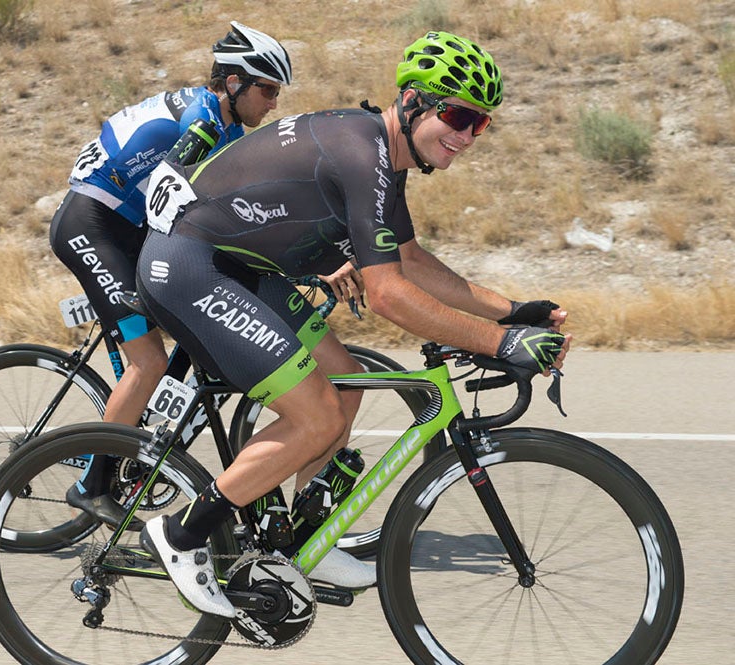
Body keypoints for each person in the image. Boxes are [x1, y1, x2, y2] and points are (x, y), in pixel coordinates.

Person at [134, 30, 570, 617]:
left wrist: (510, 312)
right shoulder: (364, 154)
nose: (467, 136)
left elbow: (410, 261)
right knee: (316, 415)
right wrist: (501, 343)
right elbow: (389, 295)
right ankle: (183, 534)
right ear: (413, 101)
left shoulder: (384, 159)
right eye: (459, 115)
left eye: (481, 125)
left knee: (345, 377)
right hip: (188, 266)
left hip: (236, 266)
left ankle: (294, 543)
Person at [51, 22, 361, 532]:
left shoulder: (224, 125)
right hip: (93, 224)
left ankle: (155, 430)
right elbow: (175, 210)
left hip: (126, 226)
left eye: (277, 93)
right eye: (267, 90)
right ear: (234, 83)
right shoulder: (201, 125)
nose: (273, 103)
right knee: (147, 360)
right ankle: (92, 485)